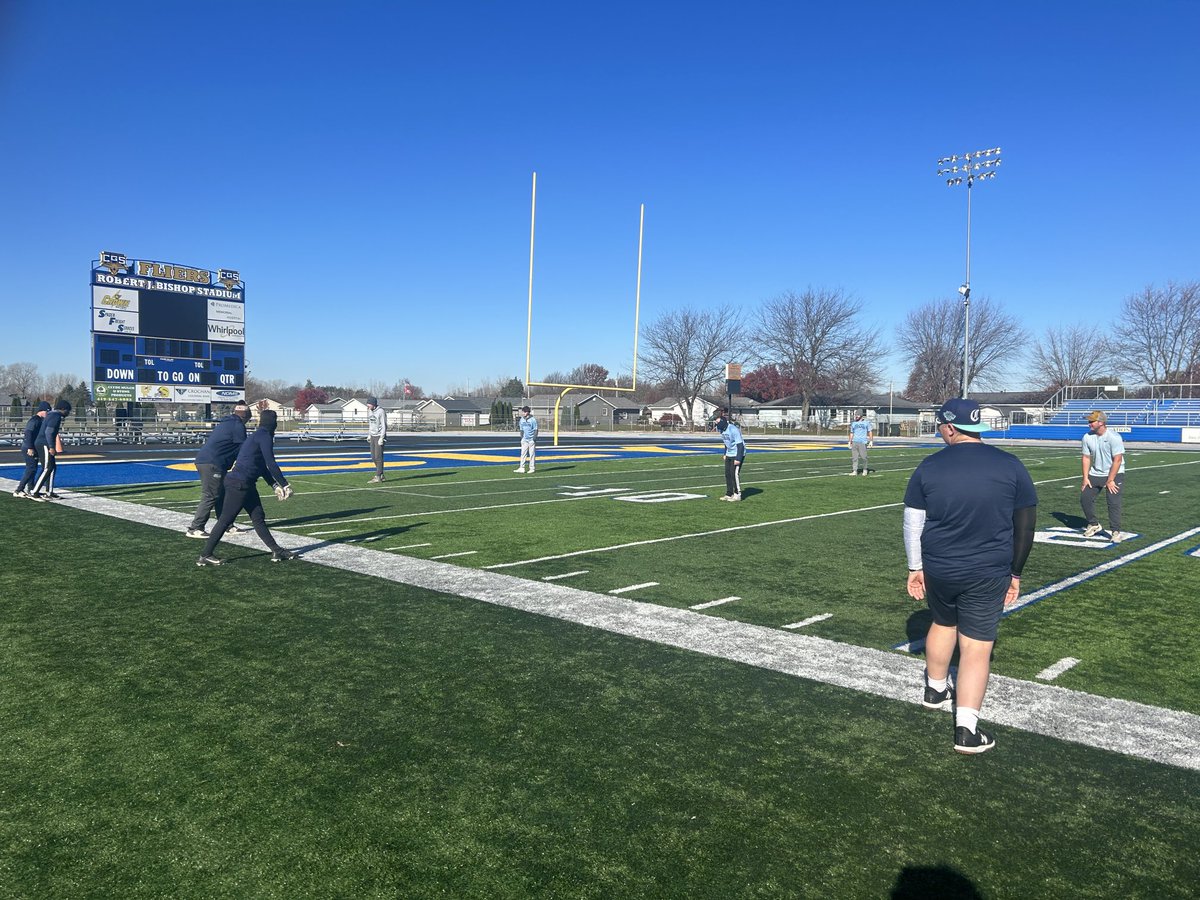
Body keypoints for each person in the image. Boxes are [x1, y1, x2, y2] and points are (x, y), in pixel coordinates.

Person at [903, 398, 1037, 755]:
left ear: (950, 427)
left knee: (943, 623)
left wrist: (915, 567)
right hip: (987, 569)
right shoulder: (1010, 465)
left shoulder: (929, 466)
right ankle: (966, 729)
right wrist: (1016, 572)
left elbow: (913, 522)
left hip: (940, 566)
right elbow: (1025, 527)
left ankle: (934, 689)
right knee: (976, 647)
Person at [197, 409, 297, 566]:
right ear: (273, 423)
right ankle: (205, 554)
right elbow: (270, 463)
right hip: (240, 484)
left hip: (245, 484)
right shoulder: (264, 436)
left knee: (258, 517)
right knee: (225, 520)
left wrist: (274, 485)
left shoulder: (258, 435)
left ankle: (276, 550)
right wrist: (285, 484)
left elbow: (261, 465)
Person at [185, 402, 252, 538]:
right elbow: (244, 449)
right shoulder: (238, 426)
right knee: (211, 495)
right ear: (245, 416)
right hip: (213, 463)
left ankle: (226, 525)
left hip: (209, 461)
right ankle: (195, 527)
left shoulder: (227, 423)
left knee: (220, 494)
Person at [1080, 410, 1127, 542]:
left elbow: (1117, 460)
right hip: (1096, 473)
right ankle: (1094, 524)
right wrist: (1085, 477)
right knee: (1085, 498)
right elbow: (1086, 458)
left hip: (1115, 472)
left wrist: (1111, 480)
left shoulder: (1114, 437)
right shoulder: (1087, 437)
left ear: (1101, 423)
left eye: (1091, 421)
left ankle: (1115, 531)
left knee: (1113, 502)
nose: (1089, 424)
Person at [29, 399, 71, 501]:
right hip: (44, 443)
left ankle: (49, 491)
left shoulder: (52, 415)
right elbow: (49, 432)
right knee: (47, 468)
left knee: (52, 467)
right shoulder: (55, 416)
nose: (68, 413)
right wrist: (52, 447)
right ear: (62, 409)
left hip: (44, 442)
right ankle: (34, 492)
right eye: (67, 410)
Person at [13, 402, 50, 498]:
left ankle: (31, 489)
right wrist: (30, 447)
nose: (48, 414)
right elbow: (28, 433)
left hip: (33, 447)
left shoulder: (40, 420)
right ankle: (19, 490)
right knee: (31, 469)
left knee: (33, 469)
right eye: (47, 411)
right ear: (42, 411)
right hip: (28, 447)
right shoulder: (34, 420)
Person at [715, 410, 746, 501]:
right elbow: (726, 442)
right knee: (727, 474)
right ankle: (729, 493)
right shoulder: (721, 429)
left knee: (734, 474)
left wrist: (738, 458)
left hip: (737, 453)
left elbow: (740, 445)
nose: (716, 424)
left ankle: (737, 494)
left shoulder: (733, 429)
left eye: (717, 421)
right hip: (729, 453)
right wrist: (725, 453)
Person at [366, 396, 387, 483]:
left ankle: (378, 476)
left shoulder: (381, 411)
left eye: (369, 404)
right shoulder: (369, 411)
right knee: (373, 457)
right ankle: (381, 474)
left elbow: (384, 425)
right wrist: (369, 434)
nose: (368, 406)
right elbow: (371, 424)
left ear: (373, 404)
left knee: (378, 457)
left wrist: (382, 437)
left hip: (379, 436)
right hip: (373, 435)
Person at [848, 412, 874, 476]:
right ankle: (855, 470)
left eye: (858, 415)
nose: (856, 416)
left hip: (863, 442)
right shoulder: (853, 423)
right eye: (855, 415)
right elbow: (851, 433)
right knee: (854, 458)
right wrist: (849, 441)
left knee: (864, 457)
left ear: (861, 415)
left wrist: (871, 441)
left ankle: (865, 469)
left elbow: (870, 432)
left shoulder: (866, 423)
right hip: (855, 442)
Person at [514, 405, 538, 474]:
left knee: (531, 454)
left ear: (528, 412)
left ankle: (532, 468)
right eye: (523, 412)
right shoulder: (522, 419)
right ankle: (522, 467)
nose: (523, 413)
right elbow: (521, 429)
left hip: (531, 440)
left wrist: (534, 438)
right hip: (524, 439)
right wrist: (522, 438)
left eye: (524, 412)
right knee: (523, 454)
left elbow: (535, 429)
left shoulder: (533, 420)